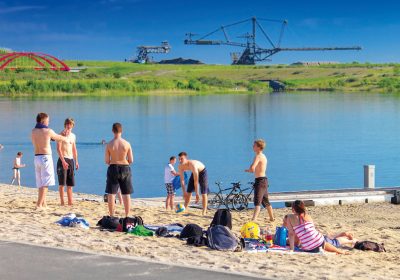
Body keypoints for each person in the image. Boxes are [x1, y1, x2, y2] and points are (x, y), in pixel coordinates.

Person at [31, 112, 68, 210]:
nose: (49, 122)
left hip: (37, 157)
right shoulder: (48, 131)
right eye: (48, 120)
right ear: (43, 120)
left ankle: (43, 204)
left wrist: (56, 136)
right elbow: (58, 138)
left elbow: (47, 138)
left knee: (40, 183)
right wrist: (66, 138)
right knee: (46, 183)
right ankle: (39, 205)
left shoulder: (33, 131)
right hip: (45, 157)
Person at [104, 122, 133, 217]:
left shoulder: (109, 144)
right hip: (125, 167)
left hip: (113, 168)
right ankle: (127, 214)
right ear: (122, 130)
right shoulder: (127, 143)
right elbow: (131, 160)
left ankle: (112, 215)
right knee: (126, 193)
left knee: (111, 193)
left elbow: (107, 161)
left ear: (113, 131)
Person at [245, 139, 274, 222]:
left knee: (257, 201)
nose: (253, 147)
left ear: (258, 147)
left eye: (254, 145)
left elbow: (253, 169)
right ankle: (271, 218)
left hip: (260, 181)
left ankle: (254, 219)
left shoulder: (258, 156)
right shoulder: (263, 156)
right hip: (264, 180)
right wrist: (250, 169)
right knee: (265, 201)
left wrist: (249, 169)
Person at [56, 118, 79, 206]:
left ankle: (70, 202)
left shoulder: (73, 136)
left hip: (71, 160)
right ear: (65, 125)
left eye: (71, 125)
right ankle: (62, 202)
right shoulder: (60, 135)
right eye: (67, 124)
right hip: (63, 159)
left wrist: (76, 161)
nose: (69, 126)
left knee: (70, 184)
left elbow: (74, 149)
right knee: (62, 183)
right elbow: (58, 149)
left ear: (73, 126)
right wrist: (63, 161)